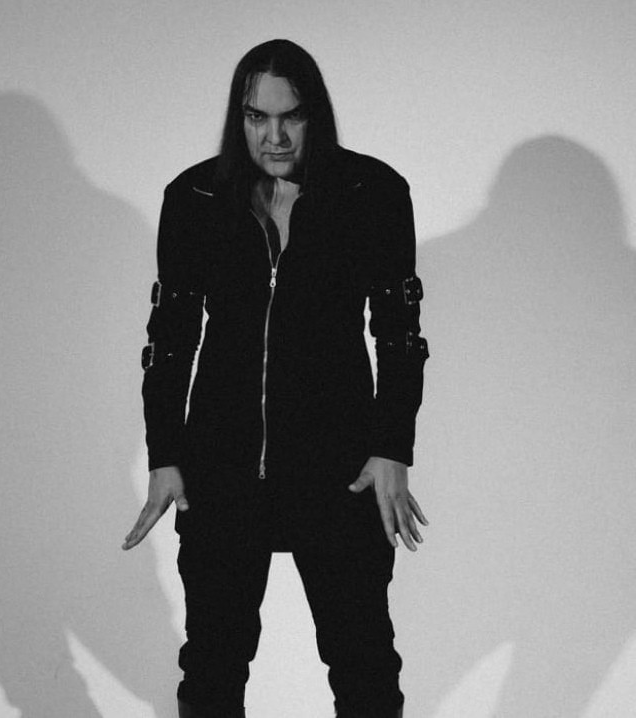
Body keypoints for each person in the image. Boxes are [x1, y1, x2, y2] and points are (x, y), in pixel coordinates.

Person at [123, 39, 429, 718]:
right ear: (239, 118)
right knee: (212, 668)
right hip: (222, 465)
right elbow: (170, 339)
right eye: (257, 117)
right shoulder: (195, 198)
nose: (275, 136)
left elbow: (399, 335)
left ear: (314, 113)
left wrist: (391, 447)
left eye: (290, 116)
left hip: (339, 465)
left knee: (364, 668)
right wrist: (166, 453)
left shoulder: (371, 193)